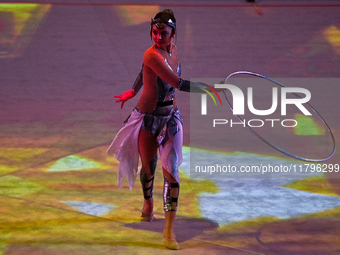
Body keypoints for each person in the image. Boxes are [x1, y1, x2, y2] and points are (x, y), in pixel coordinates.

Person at [107, 9, 217, 250]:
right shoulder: (151, 55)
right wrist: (207, 88)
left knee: (172, 173)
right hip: (148, 119)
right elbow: (176, 82)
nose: (158, 37)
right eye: (155, 33)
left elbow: (143, 73)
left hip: (170, 118)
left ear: (173, 34)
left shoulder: (173, 51)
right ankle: (148, 202)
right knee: (148, 169)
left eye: (163, 33)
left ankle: (169, 231)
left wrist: (132, 90)